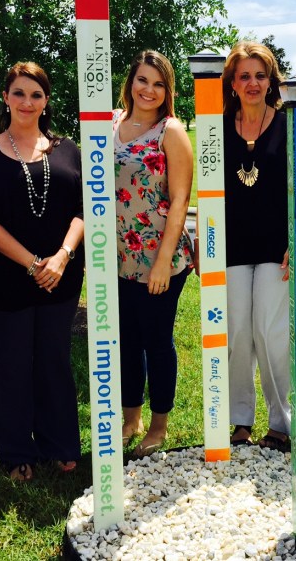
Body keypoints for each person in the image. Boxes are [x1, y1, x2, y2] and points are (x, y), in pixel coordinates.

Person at [0, 62, 84, 482]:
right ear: (5, 98)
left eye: (36, 94)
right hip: (7, 281)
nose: (27, 102)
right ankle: (16, 451)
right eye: (19, 93)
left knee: (54, 360)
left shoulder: (69, 150)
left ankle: (61, 444)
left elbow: (84, 211)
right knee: (14, 363)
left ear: (46, 100)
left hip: (61, 277)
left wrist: (61, 257)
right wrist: (33, 263)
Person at [114, 51, 194, 457]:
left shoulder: (171, 131)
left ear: (168, 91)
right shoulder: (109, 124)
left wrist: (163, 261)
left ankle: (159, 425)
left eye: (158, 83)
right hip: (117, 255)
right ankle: (131, 418)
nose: (149, 90)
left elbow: (180, 199)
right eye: (143, 80)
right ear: (130, 82)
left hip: (160, 256)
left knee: (156, 340)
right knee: (126, 340)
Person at [217, 41, 290, 452]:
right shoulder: (217, 128)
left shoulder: (287, 124)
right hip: (230, 246)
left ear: (271, 81)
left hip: (275, 247)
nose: (252, 83)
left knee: (270, 331)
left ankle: (280, 422)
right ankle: (240, 421)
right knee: (237, 333)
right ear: (232, 82)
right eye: (244, 75)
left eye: (260, 75)